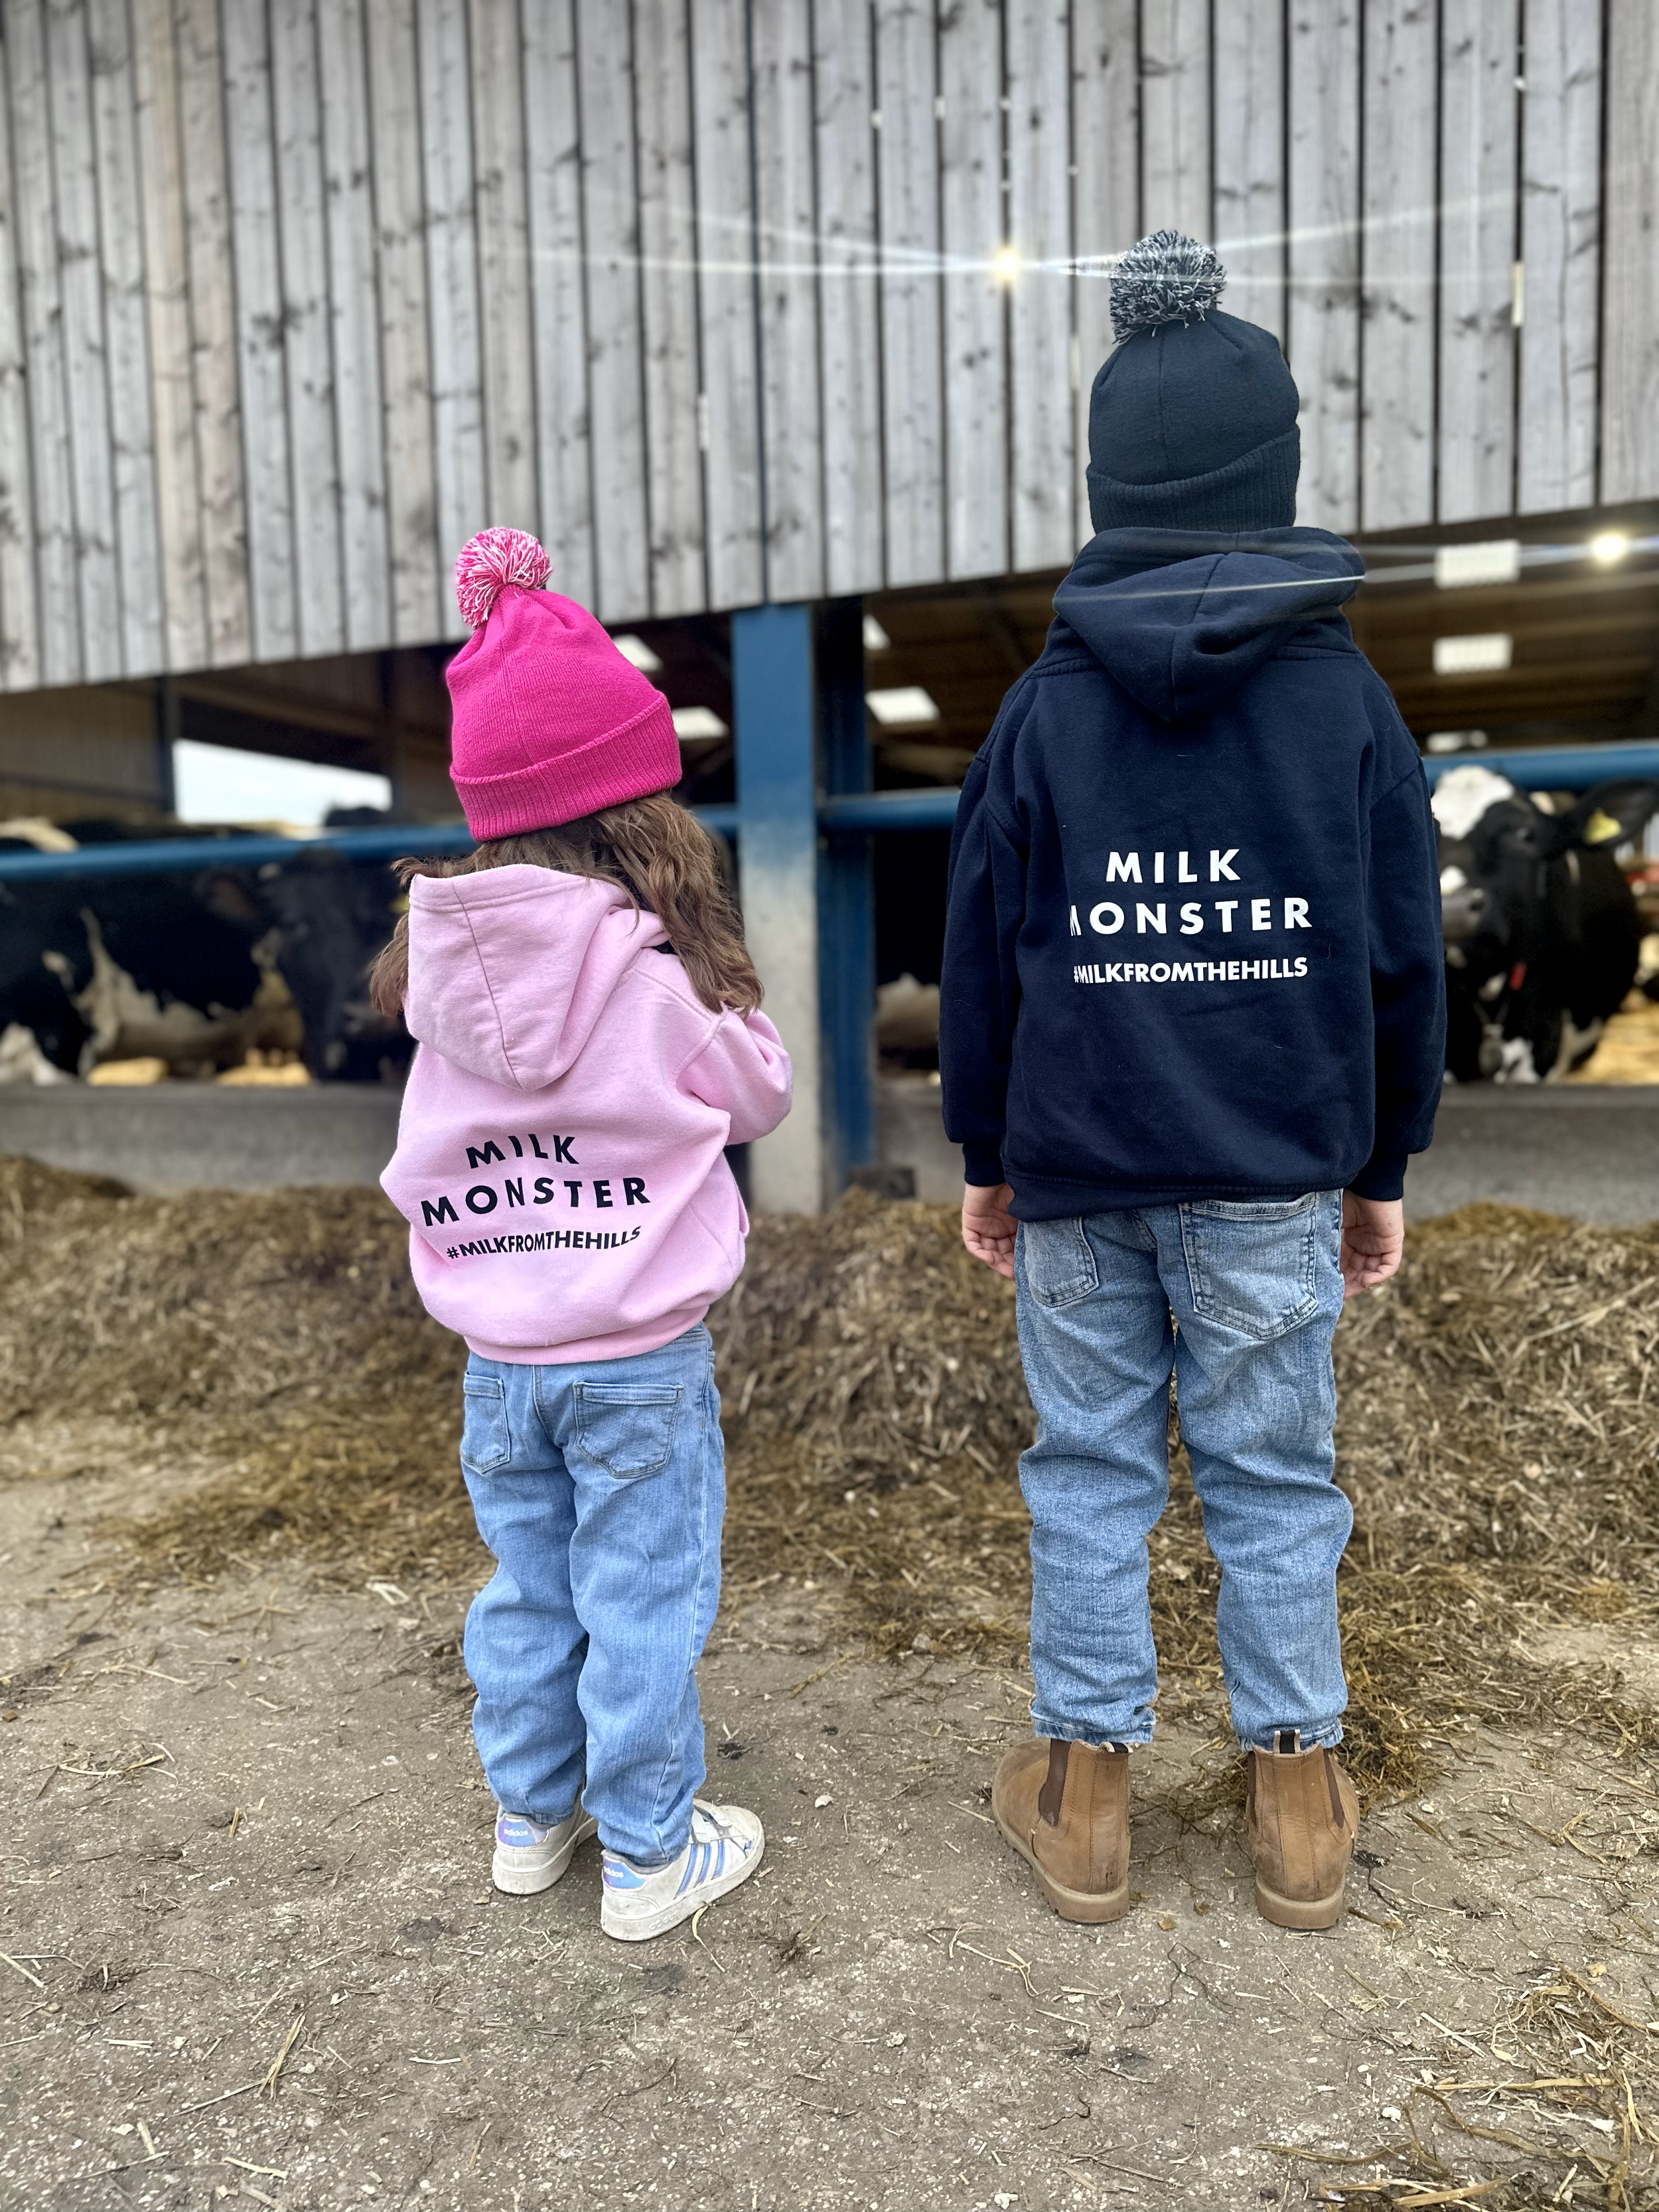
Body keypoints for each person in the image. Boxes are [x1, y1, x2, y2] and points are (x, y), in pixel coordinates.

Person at [939, 234, 1445, 1932]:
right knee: (1271, 1473)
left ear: (1108, 486)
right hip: (1266, 1174)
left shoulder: (1041, 709)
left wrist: (983, 1150)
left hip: (1078, 1167)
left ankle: (1085, 1801)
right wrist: (1380, 1162)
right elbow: (1395, 958)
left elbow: (983, 945)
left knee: (1088, 1466)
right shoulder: (1345, 704)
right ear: (1274, 467)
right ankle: (1293, 1803)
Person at [373, 528, 790, 1943]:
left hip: (499, 1359)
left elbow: (417, 1163)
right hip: (637, 1358)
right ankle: (650, 1858)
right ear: (639, 815)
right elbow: (760, 1095)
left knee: (527, 1593)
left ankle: (529, 1819)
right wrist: (716, 973)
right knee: (642, 1600)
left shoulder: (439, 983)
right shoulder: (657, 977)